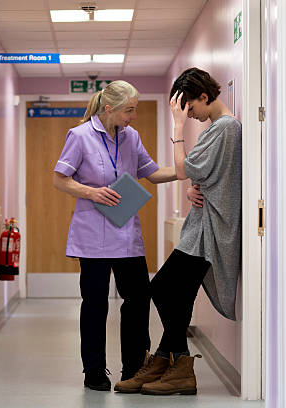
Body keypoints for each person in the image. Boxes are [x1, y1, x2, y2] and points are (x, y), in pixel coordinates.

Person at [114, 67, 242, 395]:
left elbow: (185, 169)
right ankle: (172, 363)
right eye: (184, 112)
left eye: (190, 108)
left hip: (209, 230)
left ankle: (170, 360)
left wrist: (177, 127)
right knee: (177, 293)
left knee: (162, 289)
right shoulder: (220, 129)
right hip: (201, 227)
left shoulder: (225, 128)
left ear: (203, 96)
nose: (191, 115)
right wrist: (191, 189)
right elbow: (201, 176)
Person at [53, 80, 177, 391]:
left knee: (137, 300)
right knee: (95, 303)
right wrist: (91, 193)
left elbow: (151, 173)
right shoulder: (79, 136)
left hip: (126, 235)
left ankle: (134, 369)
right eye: (129, 110)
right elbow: (60, 179)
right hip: (92, 236)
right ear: (109, 109)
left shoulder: (131, 137)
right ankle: (94, 371)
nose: (134, 116)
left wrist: (187, 170)